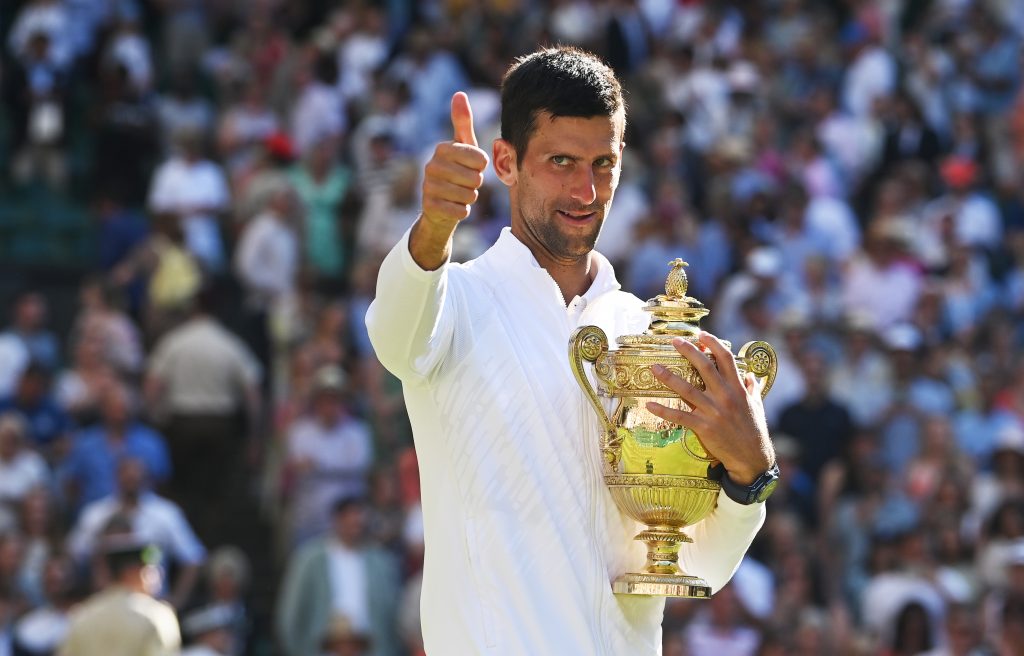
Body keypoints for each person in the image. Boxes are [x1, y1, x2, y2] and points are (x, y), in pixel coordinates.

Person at [366, 46, 776, 653]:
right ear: (505, 162)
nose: (586, 189)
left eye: (603, 164)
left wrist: (750, 477)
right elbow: (393, 335)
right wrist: (432, 230)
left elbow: (695, 568)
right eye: (561, 161)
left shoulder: (648, 334)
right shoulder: (454, 300)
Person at [275, 497, 401, 656]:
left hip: (369, 648)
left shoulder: (381, 561)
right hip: (323, 648)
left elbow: (392, 612)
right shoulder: (310, 559)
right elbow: (291, 611)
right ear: (337, 520)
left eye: (358, 521)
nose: (354, 526)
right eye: (349, 520)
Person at [59, 518, 181, 656]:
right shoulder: (157, 615)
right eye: (149, 568)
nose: (158, 574)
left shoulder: (82, 615)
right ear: (132, 572)